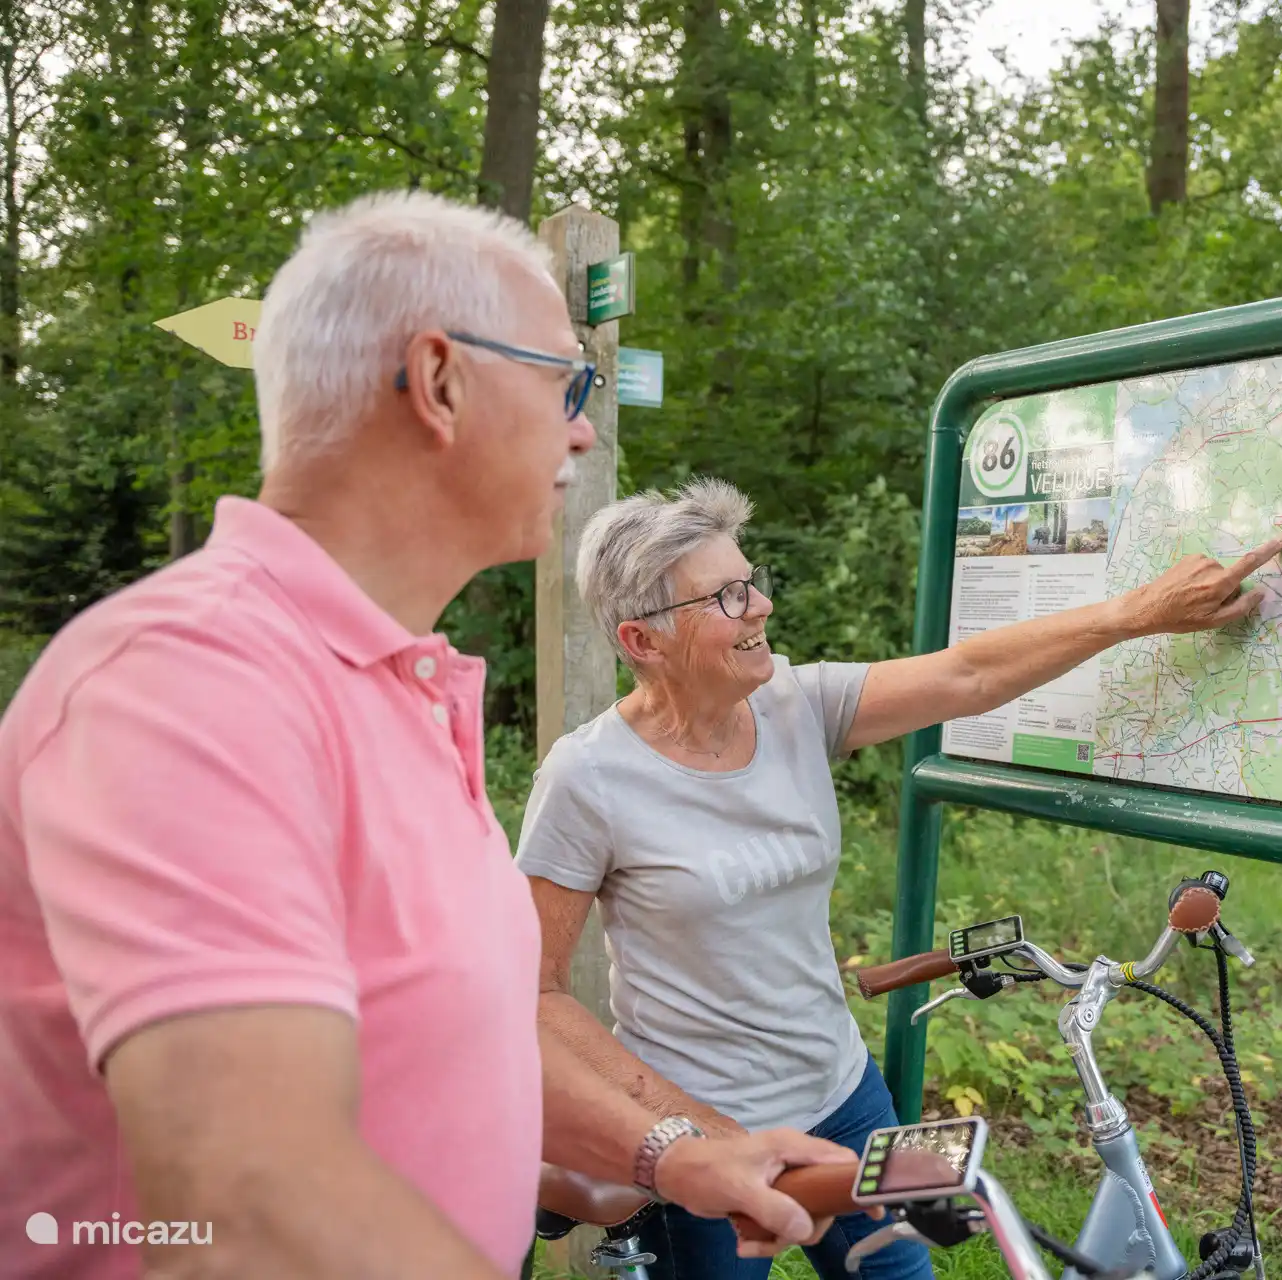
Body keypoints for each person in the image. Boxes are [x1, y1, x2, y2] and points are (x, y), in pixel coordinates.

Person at [0, 192, 854, 1280]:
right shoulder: (190, 682)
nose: (583, 426)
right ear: (441, 380)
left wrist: (675, 1153)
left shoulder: (389, 684)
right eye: (564, 381)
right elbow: (254, 1205)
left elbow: (451, 1036)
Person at [514, 476, 1282, 1280]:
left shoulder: (797, 705)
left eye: (753, 582)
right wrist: (686, 1131)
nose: (761, 607)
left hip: (846, 1095)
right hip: (699, 1132)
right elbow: (533, 990)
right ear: (643, 641)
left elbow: (968, 676)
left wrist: (1136, 614)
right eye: (728, 596)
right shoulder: (589, 776)